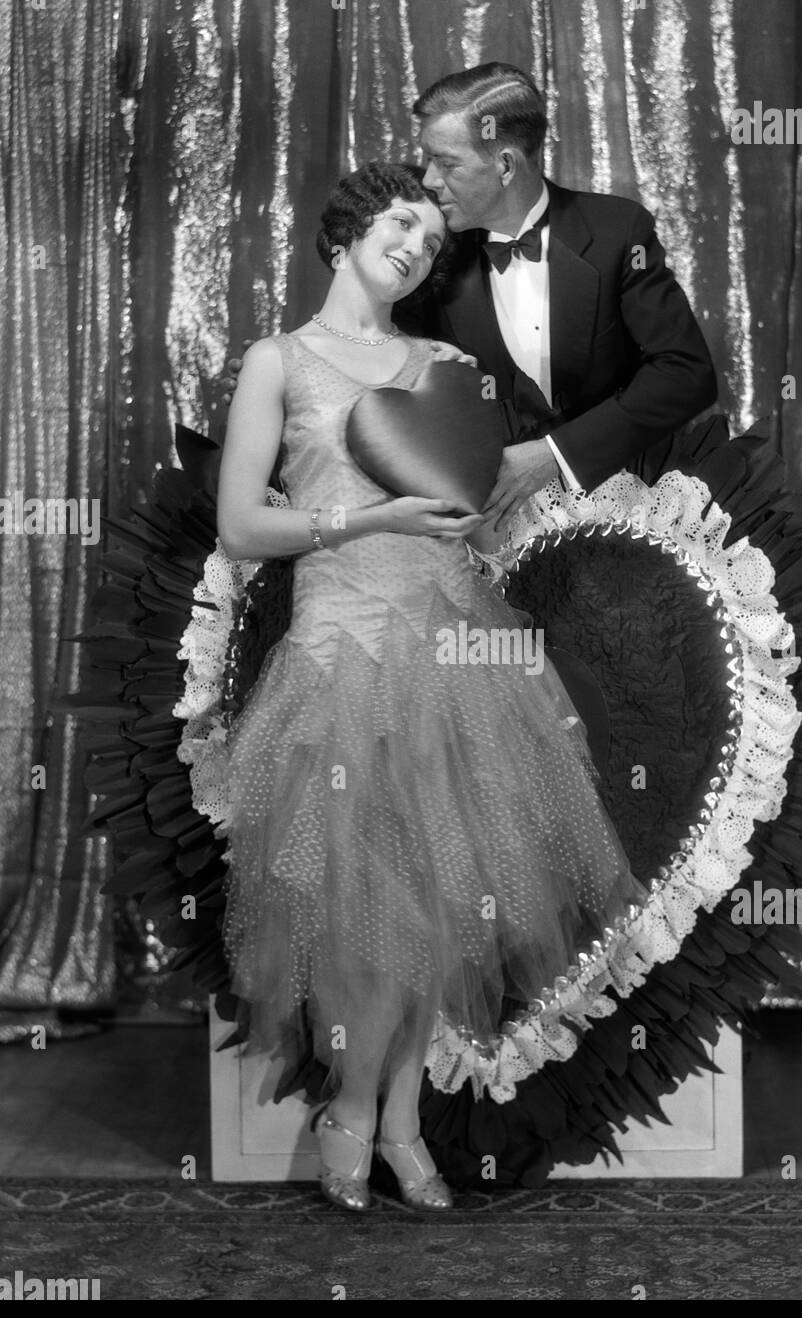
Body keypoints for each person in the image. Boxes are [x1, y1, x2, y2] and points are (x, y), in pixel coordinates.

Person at [216, 161, 651, 1214]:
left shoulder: (443, 363)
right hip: (339, 653)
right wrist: (368, 520)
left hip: (455, 653)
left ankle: (386, 1120)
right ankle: (364, 1118)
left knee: (442, 906)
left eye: (427, 237)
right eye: (397, 226)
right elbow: (240, 526)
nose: (414, 247)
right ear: (343, 237)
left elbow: (472, 503)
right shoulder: (280, 362)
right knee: (372, 902)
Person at [398, 62, 718, 537]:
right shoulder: (430, 250)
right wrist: (279, 370)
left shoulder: (617, 231)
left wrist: (555, 454)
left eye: (446, 163)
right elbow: (379, 351)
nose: (428, 181)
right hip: (492, 534)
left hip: (632, 519)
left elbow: (686, 375)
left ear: (506, 165)